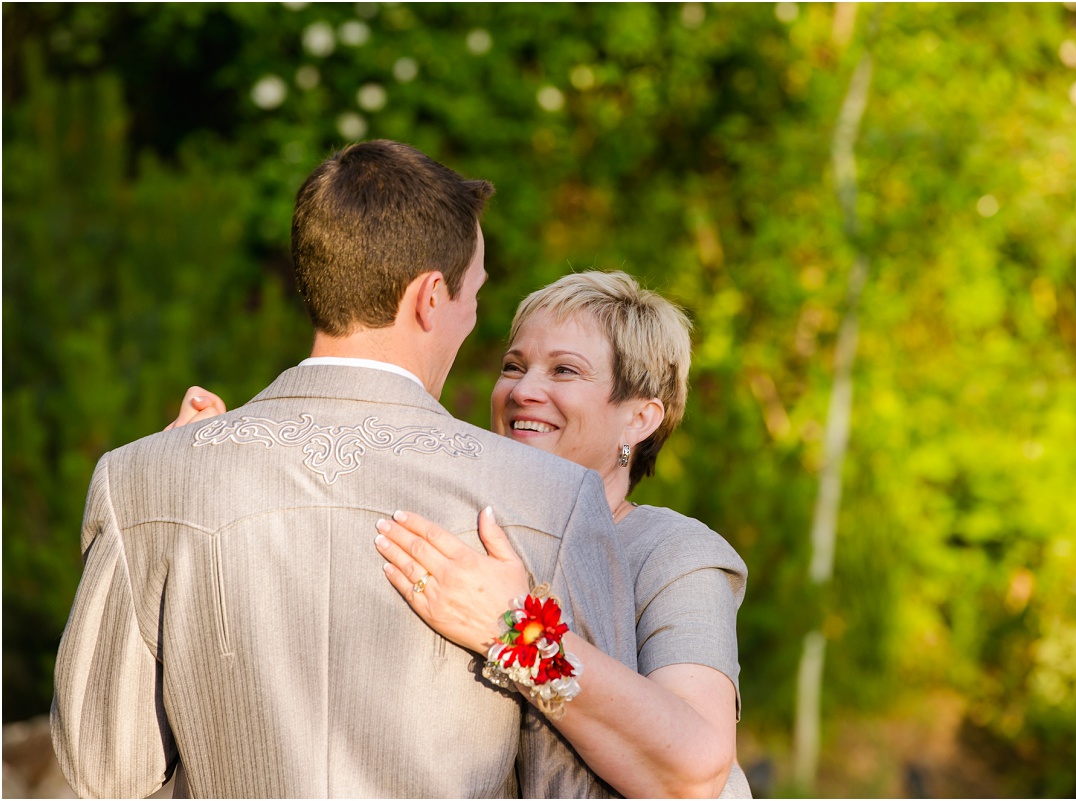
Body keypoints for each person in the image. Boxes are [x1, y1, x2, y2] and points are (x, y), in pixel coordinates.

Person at [49, 140, 637, 798]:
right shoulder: (550, 497)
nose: (476, 315)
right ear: (431, 297)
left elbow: (106, 770)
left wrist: (159, 499)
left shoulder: (142, 479)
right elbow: (578, 788)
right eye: (474, 291)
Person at [173, 272, 753, 798]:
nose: (523, 390)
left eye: (565, 370)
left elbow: (692, 770)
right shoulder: (458, 526)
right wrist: (208, 467)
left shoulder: (676, 555)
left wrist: (515, 629)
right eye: (513, 365)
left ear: (640, 418)